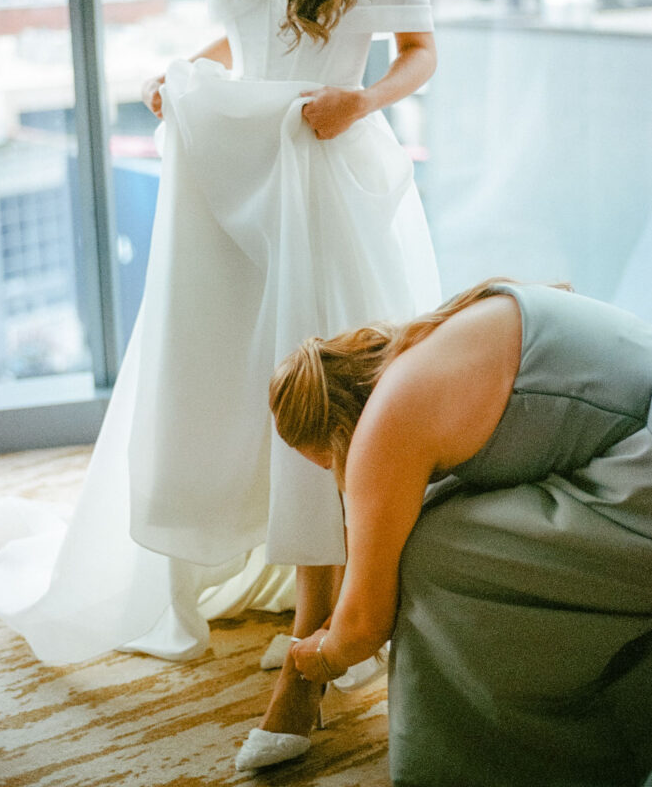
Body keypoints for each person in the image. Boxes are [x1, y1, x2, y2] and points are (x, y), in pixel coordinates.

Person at [0, 0, 439, 774]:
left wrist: (362, 103)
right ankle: (297, 591)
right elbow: (249, 41)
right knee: (232, 375)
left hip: (326, 164)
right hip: (233, 171)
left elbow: (418, 53)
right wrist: (185, 75)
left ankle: (316, 638)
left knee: (316, 382)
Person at [275, 278, 652, 786]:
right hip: (631, 444)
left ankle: (494, 767)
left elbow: (366, 622)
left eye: (327, 465)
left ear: (338, 434)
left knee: (433, 553)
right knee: (444, 514)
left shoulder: (384, 425)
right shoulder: (438, 330)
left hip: (639, 478)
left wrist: (320, 656)